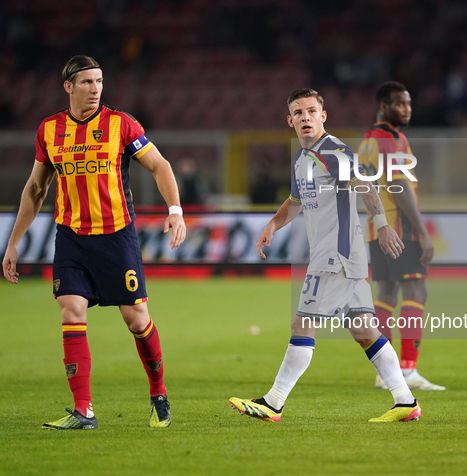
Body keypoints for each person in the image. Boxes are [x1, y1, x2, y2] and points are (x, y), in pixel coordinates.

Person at [1, 55, 186, 430]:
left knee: (136, 319)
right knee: (71, 310)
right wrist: (13, 243)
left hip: (116, 236)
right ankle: (83, 410)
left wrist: (175, 209)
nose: (95, 89)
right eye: (87, 82)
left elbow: (160, 165)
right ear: (68, 86)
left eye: (99, 81)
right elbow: (36, 188)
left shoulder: (121, 124)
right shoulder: (49, 130)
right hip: (70, 236)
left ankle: (159, 393)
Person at [229, 88, 421, 423]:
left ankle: (274, 401)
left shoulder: (332, 150)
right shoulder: (303, 159)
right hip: (342, 257)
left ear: (323, 116)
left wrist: (383, 224)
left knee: (303, 322)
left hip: (335, 255)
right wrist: (273, 225)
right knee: (364, 330)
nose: (306, 118)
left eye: (311, 111)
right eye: (299, 113)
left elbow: (364, 182)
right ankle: (405, 401)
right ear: (290, 120)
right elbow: (296, 202)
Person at [358, 81, 445, 391]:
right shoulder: (392, 139)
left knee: (386, 294)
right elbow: (402, 187)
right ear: (384, 106)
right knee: (416, 291)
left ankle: (385, 373)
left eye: (408, 103)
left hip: (376, 226)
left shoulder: (369, 139)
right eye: (399, 104)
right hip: (400, 226)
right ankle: (407, 370)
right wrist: (423, 232)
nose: (407, 109)